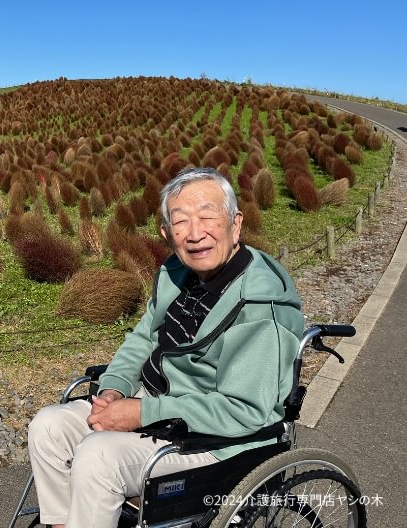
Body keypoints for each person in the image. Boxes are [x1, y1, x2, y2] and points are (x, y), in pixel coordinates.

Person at [27, 167, 304, 528]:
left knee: (98, 457)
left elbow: (244, 409)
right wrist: (113, 390)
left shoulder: (259, 306)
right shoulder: (177, 272)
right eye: (180, 221)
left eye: (207, 216)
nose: (195, 233)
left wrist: (140, 413)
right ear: (165, 233)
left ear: (235, 224)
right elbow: (144, 338)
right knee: (48, 426)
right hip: (156, 403)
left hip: (215, 438)